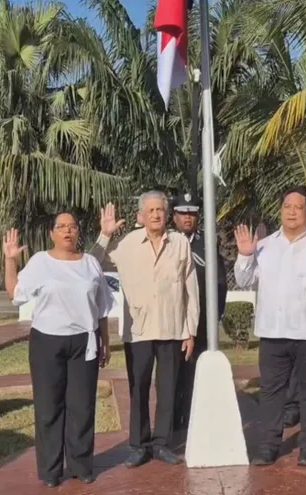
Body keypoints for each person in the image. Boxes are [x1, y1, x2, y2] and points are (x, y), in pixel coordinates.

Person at [234, 185, 306, 467]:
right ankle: (270, 444)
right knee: (271, 393)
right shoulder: (265, 244)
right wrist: (246, 254)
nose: (292, 212)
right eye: (287, 207)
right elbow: (244, 280)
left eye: (298, 207)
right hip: (272, 333)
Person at [89, 193, 199, 468]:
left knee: (168, 389)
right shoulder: (127, 244)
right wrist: (104, 234)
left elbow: (191, 290)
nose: (156, 215)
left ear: (167, 213)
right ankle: (139, 445)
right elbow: (91, 264)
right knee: (138, 389)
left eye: (160, 209)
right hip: (138, 331)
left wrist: (190, 331)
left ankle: (162, 443)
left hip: (172, 328)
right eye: (150, 210)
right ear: (142, 215)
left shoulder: (180, 243)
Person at [3, 213, 112, 488]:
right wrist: (10, 260)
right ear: (52, 233)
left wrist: (105, 340)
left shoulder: (90, 264)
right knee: (49, 407)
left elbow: (101, 308)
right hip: (47, 343)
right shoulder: (40, 261)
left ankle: (81, 465)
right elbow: (14, 293)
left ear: (78, 232)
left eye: (72, 227)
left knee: (82, 407)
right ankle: (51, 470)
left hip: (84, 342)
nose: (67, 231)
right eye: (61, 227)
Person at [170, 192, 228, 431]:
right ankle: (172, 423)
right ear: (174, 216)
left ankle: (194, 419)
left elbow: (220, 282)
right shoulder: (165, 242)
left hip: (202, 321)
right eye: (183, 213)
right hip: (171, 321)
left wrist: (216, 316)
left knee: (197, 371)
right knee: (172, 373)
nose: (187, 218)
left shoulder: (207, 244)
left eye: (192, 213)